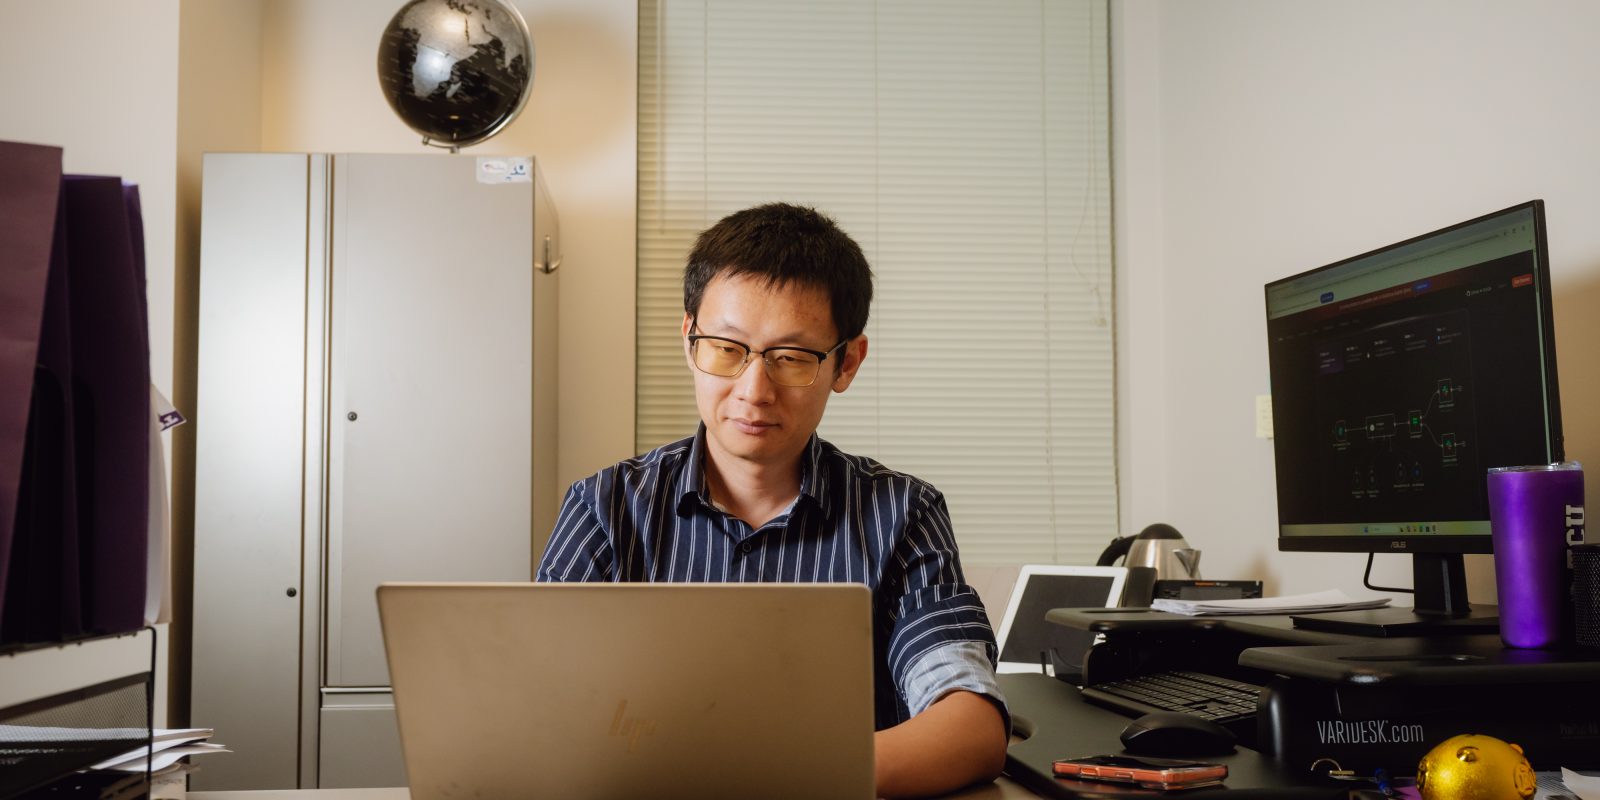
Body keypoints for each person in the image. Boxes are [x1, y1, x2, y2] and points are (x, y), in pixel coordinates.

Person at [537, 203, 1008, 798]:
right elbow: (543, 716)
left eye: (791, 358)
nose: (753, 391)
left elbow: (969, 724)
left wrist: (778, 778)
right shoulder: (605, 509)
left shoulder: (902, 513)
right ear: (689, 341)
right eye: (726, 349)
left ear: (847, 362)